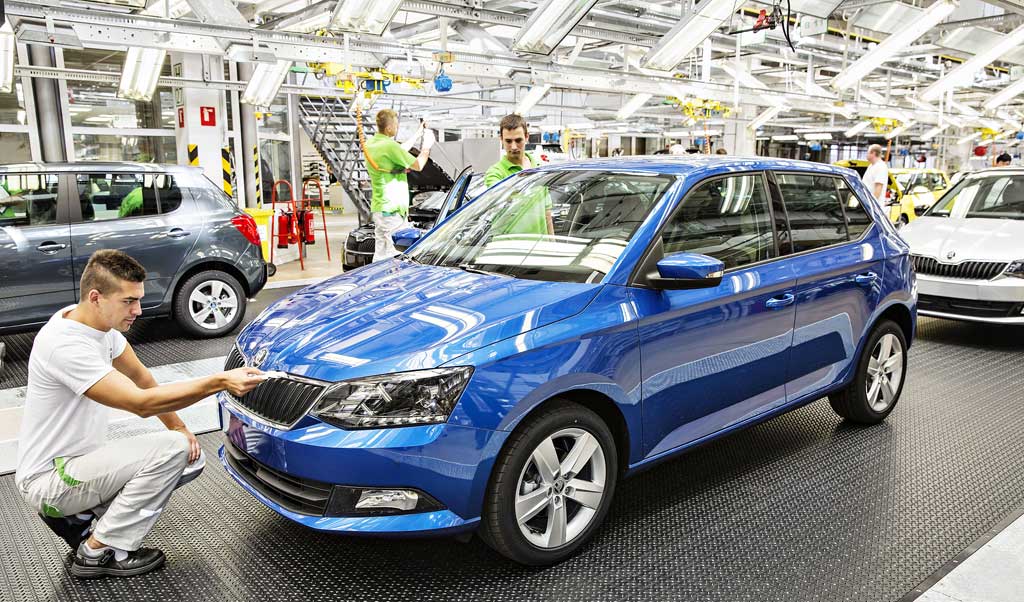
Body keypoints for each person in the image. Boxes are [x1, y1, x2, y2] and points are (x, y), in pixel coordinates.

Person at [15, 250, 265, 579]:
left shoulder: (93, 324)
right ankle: (99, 550)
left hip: (75, 465)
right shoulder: (65, 346)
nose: (138, 310)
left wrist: (180, 428)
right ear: (96, 297)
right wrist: (219, 382)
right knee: (171, 450)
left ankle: (80, 517)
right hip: (50, 480)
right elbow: (140, 402)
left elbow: (143, 378)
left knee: (187, 454)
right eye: (129, 301)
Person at [364, 109, 433, 261]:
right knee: (396, 256)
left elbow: (398, 150)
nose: (397, 128)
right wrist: (427, 146)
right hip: (392, 211)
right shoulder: (389, 147)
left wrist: (417, 134)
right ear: (389, 128)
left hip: (380, 208)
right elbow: (419, 165)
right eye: (395, 125)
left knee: (380, 255)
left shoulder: (372, 144)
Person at [484, 114, 553, 236]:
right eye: (508, 141)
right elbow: (500, 193)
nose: (514, 147)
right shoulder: (495, 173)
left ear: (526, 137)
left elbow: (547, 211)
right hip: (509, 247)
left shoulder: (540, 167)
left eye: (518, 140)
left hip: (538, 247)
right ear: (501, 140)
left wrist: (552, 244)